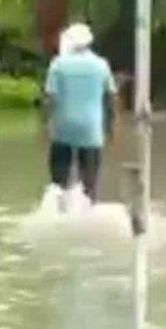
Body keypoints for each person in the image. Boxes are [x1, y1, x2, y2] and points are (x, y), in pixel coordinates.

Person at [40, 23, 118, 208]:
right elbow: (111, 99)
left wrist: (44, 126)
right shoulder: (101, 65)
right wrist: (111, 128)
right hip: (91, 131)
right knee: (89, 185)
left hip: (62, 130)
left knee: (58, 184)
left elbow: (49, 99)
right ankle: (88, 210)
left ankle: (58, 213)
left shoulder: (58, 64)